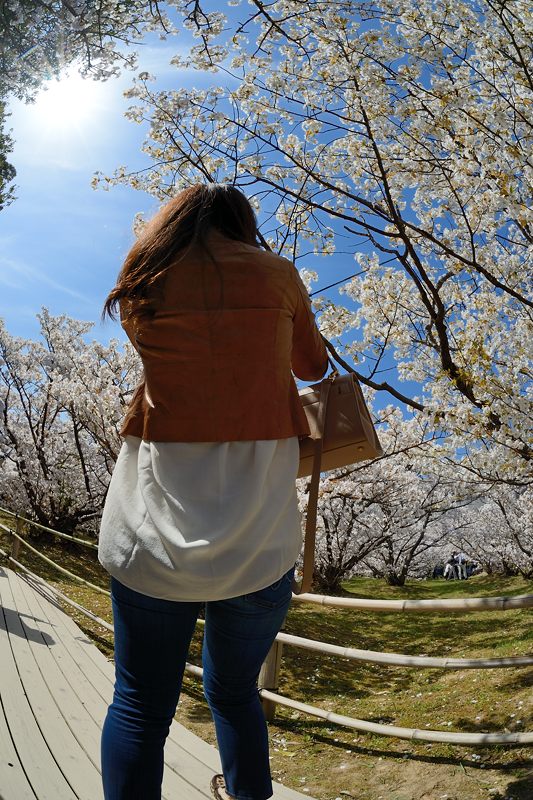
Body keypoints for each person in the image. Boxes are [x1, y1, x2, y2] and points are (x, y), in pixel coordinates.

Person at [97, 183, 328, 800]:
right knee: (232, 691)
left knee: (140, 705)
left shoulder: (143, 278)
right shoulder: (277, 276)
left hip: (150, 534)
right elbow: (314, 368)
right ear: (241, 221)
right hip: (260, 542)